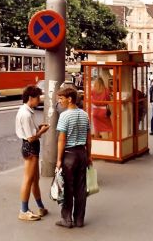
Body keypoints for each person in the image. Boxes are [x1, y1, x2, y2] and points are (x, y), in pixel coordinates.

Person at [55, 86, 92, 228]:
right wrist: (89, 156)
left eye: (61, 98)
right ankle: (79, 219)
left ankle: (66, 219)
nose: (60, 101)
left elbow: (61, 140)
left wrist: (59, 160)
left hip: (69, 155)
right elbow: (89, 139)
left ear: (69, 99)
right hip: (82, 154)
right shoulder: (85, 115)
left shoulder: (64, 116)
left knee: (67, 188)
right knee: (81, 188)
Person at [15, 85, 50, 221]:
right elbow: (30, 137)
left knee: (35, 179)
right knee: (28, 180)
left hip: (30, 147)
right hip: (30, 147)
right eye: (37, 98)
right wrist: (42, 132)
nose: (39, 101)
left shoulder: (26, 111)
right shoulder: (26, 114)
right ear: (31, 98)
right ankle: (23, 210)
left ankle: (41, 207)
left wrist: (38, 128)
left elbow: (30, 132)